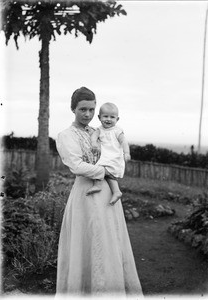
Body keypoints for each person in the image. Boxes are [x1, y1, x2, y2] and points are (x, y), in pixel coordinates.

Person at [56, 87, 143, 296]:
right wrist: (105, 170)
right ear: (73, 109)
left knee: (108, 241)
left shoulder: (99, 130)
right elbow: (76, 165)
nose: (87, 114)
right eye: (82, 109)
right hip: (86, 193)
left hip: (107, 194)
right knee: (88, 241)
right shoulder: (66, 135)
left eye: (91, 110)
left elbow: (116, 148)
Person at [87, 102, 130, 206]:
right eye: (105, 116)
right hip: (105, 156)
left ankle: (99, 185)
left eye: (112, 117)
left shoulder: (117, 130)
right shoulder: (99, 129)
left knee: (104, 171)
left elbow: (124, 141)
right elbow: (93, 136)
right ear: (99, 117)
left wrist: (126, 152)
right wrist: (93, 143)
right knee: (107, 174)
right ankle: (116, 191)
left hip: (114, 156)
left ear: (117, 119)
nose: (108, 119)